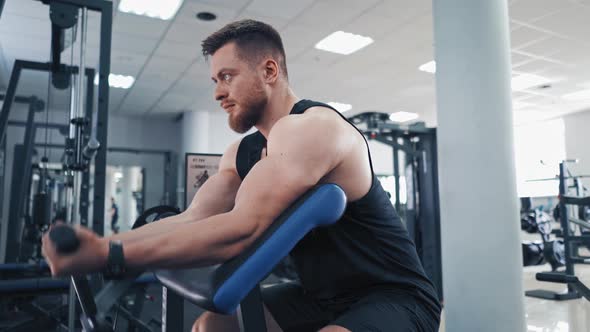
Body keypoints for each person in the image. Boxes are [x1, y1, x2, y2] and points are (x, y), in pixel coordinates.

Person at [42, 20, 441, 332]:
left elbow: (241, 229)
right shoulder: (241, 153)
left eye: (227, 76)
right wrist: (102, 246)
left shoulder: (313, 128)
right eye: (215, 80)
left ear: (269, 70)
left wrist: (111, 256)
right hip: (321, 295)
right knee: (211, 327)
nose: (217, 92)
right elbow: (192, 219)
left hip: (394, 296)